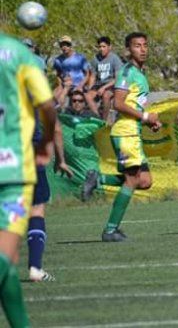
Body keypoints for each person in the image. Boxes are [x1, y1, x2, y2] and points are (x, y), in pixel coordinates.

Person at [0, 32, 56, 325]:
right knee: (5, 258)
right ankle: (36, 268)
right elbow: (47, 106)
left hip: (13, 171)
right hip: (14, 169)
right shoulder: (20, 55)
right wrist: (46, 141)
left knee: (7, 261)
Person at [101, 32, 161, 242]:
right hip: (125, 131)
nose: (142, 49)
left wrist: (150, 121)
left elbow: (135, 104)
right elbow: (118, 103)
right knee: (133, 179)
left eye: (145, 45)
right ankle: (110, 230)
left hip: (133, 130)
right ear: (128, 50)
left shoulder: (140, 74)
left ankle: (97, 179)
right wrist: (145, 116)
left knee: (144, 181)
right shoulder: (127, 72)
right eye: (137, 45)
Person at [87, 36, 123, 120]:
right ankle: (97, 117)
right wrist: (89, 88)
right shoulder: (95, 59)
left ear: (109, 47)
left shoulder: (115, 59)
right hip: (99, 84)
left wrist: (104, 88)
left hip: (112, 85)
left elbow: (117, 78)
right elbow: (92, 76)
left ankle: (104, 120)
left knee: (106, 96)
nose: (101, 49)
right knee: (87, 96)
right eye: (100, 47)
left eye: (104, 46)